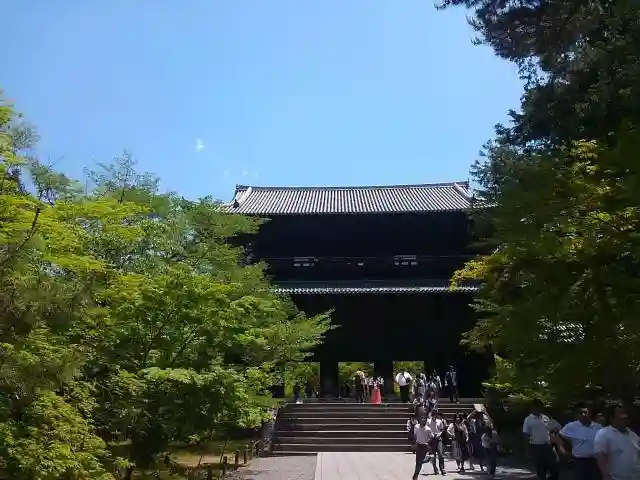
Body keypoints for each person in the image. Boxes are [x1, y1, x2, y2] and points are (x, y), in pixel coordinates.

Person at [594, 403, 640, 480]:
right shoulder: (603, 433)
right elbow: (600, 456)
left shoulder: (632, 434)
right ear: (612, 418)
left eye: (625, 413)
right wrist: (606, 476)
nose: (625, 416)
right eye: (621, 413)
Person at [558, 404, 603, 480]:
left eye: (585, 412)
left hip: (595, 461)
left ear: (590, 413)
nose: (583, 415)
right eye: (581, 413)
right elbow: (559, 436)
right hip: (579, 461)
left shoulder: (598, 427)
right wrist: (561, 449)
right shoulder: (571, 426)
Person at [522, 398, 561, 480]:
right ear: (532, 407)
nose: (538, 409)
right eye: (536, 407)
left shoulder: (545, 418)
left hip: (547, 446)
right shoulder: (528, 420)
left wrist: (554, 440)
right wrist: (527, 450)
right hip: (536, 446)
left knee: (554, 470)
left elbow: (554, 429)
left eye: (539, 407)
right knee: (541, 471)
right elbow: (526, 434)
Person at [412, 416, 435, 480]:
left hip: (425, 446)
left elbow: (432, 437)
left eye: (424, 419)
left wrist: (428, 442)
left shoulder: (428, 429)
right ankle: (416, 475)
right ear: (420, 419)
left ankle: (429, 462)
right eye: (422, 418)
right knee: (418, 462)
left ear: (426, 420)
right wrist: (415, 443)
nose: (423, 420)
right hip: (418, 445)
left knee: (422, 461)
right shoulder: (416, 427)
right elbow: (415, 435)